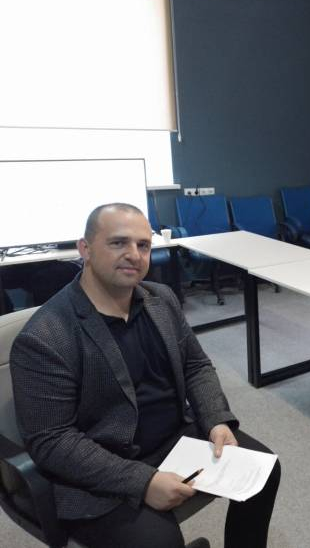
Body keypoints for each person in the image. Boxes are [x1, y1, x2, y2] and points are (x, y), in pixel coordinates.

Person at [10, 203, 281, 548]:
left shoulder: (161, 299)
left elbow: (195, 366)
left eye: (143, 245)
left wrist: (215, 420)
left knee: (264, 471)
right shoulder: (46, 336)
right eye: (118, 243)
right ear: (85, 249)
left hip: (175, 438)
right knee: (160, 542)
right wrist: (142, 481)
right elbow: (52, 441)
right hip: (103, 464)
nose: (134, 255)